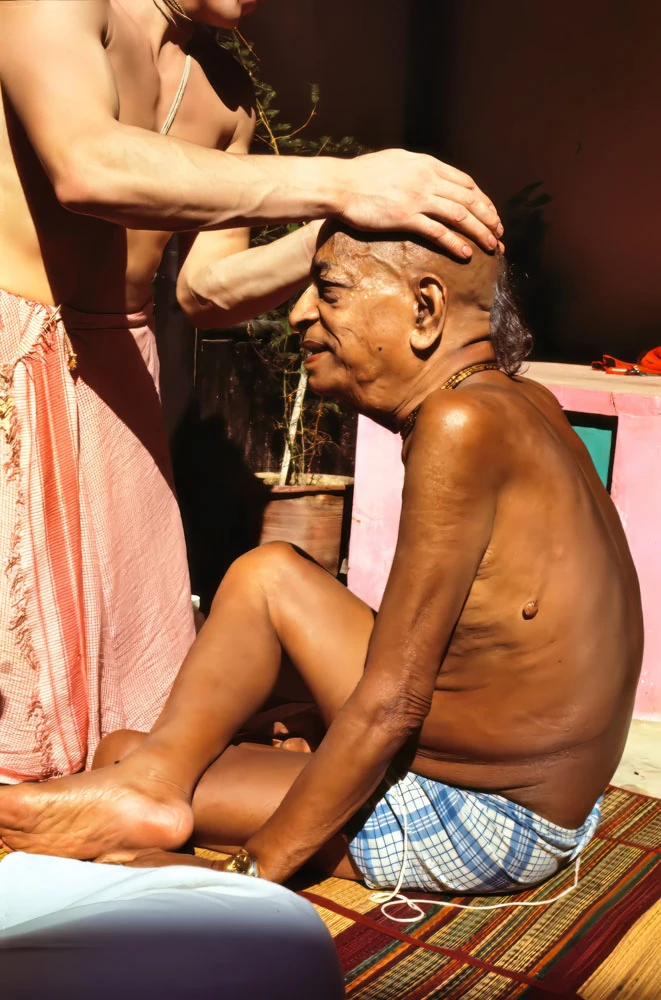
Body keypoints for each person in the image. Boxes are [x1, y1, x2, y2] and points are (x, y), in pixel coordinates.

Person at [0, 222, 643, 898]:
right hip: (551, 793)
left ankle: (152, 788)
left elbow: (394, 701)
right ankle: (152, 783)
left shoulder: (457, 424)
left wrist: (248, 874)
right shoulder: (518, 399)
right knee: (269, 577)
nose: (300, 312)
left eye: (329, 291)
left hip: (485, 815)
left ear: (424, 309)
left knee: (121, 753)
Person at [0, 0, 503, 784]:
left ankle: (92, 814)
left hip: (121, 370)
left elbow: (205, 290)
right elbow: (86, 166)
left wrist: (338, 225)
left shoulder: (225, 92)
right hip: (16, 348)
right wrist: (342, 181)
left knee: (126, 682)